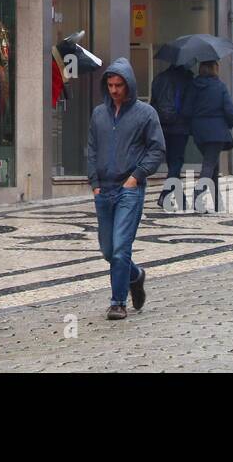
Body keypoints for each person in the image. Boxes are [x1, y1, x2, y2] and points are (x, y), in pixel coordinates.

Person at [87, 58, 165, 321]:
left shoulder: (146, 114)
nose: (114, 90)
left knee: (121, 248)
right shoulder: (99, 114)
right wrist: (95, 185)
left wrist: (136, 177)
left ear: (129, 84)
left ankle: (117, 303)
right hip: (104, 190)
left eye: (119, 85)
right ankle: (135, 276)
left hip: (129, 189)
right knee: (109, 251)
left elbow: (157, 149)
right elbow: (92, 149)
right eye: (110, 85)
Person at [179, 59, 233, 212]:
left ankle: (218, 203)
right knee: (209, 165)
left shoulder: (193, 86)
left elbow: (186, 110)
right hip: (217, 132)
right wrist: (228, 125)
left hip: (199, 132)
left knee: (213, 166)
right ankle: (198, 194)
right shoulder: (220, 86)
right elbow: (230, 111)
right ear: (215, 68)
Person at [150, 63, 194, 211]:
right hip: (180, 127)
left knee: (172, 163)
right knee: (176, 163)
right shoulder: (187, 79)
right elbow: (189, 106)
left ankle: (180, 199)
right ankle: (165, 194)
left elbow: (153, 103)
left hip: (162, 126)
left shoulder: (159, 79)